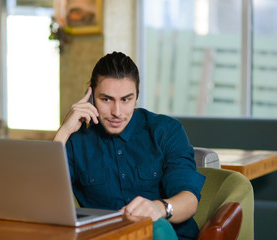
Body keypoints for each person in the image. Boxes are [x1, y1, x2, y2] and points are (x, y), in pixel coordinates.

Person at [53, 51, 206, 240]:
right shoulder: (76, 140)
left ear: (137, 92)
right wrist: (63, 132)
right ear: (91, 94)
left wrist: (159, 208)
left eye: (126, 99)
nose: (117, 112)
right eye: (106, 99)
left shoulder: (166, 130)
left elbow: (189, 200)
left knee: (157, 227)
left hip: (168, 235)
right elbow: (45, 199)